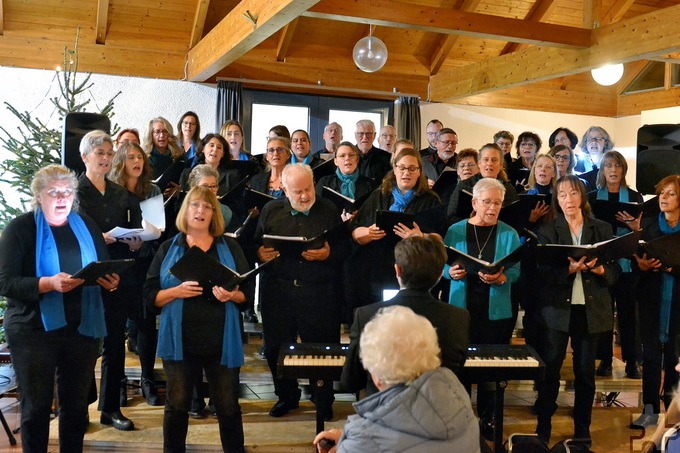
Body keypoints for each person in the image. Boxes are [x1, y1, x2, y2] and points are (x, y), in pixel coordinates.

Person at [0, 164, 118, 453]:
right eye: (53, 192)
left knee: (76, 408)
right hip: (32, 329)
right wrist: (47, 283)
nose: (62, 197)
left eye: (67, 191)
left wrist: (110, 281)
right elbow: (5, 282)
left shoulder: (86, 225)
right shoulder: (21, 228)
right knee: (37, 407)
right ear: (38, 195)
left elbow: (99, 267)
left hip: (81, 328)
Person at [144, 186, 252, 452]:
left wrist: (232, 295)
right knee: (177, 405)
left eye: (207, 207)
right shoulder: (169, 247)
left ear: (214, 214)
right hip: (180, 342)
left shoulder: (230, 247)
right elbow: (149, 296)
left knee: (227, 407)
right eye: (195, 205)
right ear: (185, 210)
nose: (201, 211)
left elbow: (247, 293)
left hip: (221, 342)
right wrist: (175, 292)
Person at [315, 306, 480, 453]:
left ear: (377, 377)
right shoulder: (458, 397)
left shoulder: (363, 441)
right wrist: (347, 438)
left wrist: (348, 446)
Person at [534, 175, 619, 447]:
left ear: (582, 196)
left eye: (572, 194)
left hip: (590, 309)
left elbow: (617, 273)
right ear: (556, 200)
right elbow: (542, 273)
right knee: (551, 369)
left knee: (585, 372)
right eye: (562, 195)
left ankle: (583, 428)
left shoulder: (602, 229)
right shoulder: (549, 230)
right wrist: (567, 271)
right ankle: (543, 425)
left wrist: (601, 269)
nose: (568, 200)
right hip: (558, 310)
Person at [254, 164, 343, 420]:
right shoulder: (271, 210)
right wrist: (260, 254)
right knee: (276, 348)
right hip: (279, 293)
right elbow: (256, 245)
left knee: (323, 348)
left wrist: (329, 253)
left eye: (308, 189)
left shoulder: (328, 209)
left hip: (319, 293)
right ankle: (286, 396)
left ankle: (323, 397)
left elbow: (344, 247)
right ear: (284, 189)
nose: (305, 196)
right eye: (297, 192)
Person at [341, 235, 470, 395]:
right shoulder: (459, 317)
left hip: (384, 413)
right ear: (439, 275)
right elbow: (457, 372)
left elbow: (350, 381)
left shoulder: (366, 314)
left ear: (397, 270)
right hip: (437, 412)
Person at [443, 177, 521, 438]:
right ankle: (463, 419)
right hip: (460, 308)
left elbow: (517, 270)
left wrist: (503, 277)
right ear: (474, 202)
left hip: (495, 310)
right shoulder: (455, 230)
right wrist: (449, 272)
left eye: (497, 203)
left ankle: (489, 419)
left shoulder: (509, 233)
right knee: (460, 367)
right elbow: (443, 264)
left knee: (491, 368)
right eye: (486, 202)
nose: (491, 208)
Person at [77, 130, 142, 431]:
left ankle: (110, 409)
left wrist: (135, 240)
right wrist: (98, 238)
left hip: (116, 278)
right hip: (85, 280)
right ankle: (79, 408)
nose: (105, 158)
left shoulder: (120, 193)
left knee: (115, 344)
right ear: (85, 157)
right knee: (85, 346)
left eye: (108, 153)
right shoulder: (74, 192)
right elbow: (68, 237)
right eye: (99, 153)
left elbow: (133, 230)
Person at [348, 148, 442, 310]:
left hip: (413, 270)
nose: (407, 172)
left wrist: (421, 237)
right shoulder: (380, 195)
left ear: (419, 172)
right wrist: (367, 233)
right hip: (378, 268)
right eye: (402, 168)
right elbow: (354, 231)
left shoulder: (430, 199)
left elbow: (440, 239)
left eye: (412, 168)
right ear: (394, 170)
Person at [109, 142, 163, 406]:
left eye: (139, 157)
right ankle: (118, 382)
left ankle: (147, 379)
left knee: (145, 325)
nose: (137, 161)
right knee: (117, 328)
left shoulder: (151, 189)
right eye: (130, 157)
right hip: (119, 265)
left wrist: (143, 239)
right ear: (121, 161)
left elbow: (157, 228)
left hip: (143, 264)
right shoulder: (112, 190)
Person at [588, 150, 644, 379]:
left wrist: (633, 228)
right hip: (601, 262)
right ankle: (605, 360)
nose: (613, 170)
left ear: (623, 170)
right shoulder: (592, 197)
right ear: (602, 170)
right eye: (608, 166)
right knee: (602, 313)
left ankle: (632, 362)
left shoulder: (633, 196)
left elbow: (642, 234)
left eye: (617, 166)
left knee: (629, 315)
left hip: (627, 264)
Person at [631, 174, 680, 429]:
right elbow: (635, 259)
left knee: (674, 358)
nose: (664, 198)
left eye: (671, 193)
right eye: (662, 193)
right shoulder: (649, 226)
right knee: (650, 357)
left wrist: (673, 269)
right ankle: (649, 410)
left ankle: (673, 415)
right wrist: (641, 265)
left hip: (677, 305)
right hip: (651, 300)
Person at [447, 143, 519, 224]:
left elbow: (515, 220)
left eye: (494, 160)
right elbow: (450, 217)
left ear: (500, 165)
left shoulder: (508, 189)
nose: (489, 163)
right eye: (486, 159)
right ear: (479, 164)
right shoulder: (465, 185)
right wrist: (471, 222)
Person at [315, 141, 376, 221]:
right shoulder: (325, 182)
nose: (347, 158)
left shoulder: (370, 184)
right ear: (335, 161)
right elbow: (317, 209)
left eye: (351, 155)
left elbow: (374, 212)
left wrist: (360, 215)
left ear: (357, 159)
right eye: (342, 156)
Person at [178, 133, 239, 200]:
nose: (215, 149)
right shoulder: (188, 173)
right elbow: (180, 204)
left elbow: (236, 205)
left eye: (219, 147)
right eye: (211, 145)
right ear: (203, 148)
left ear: (223, 154)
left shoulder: (232, 175)